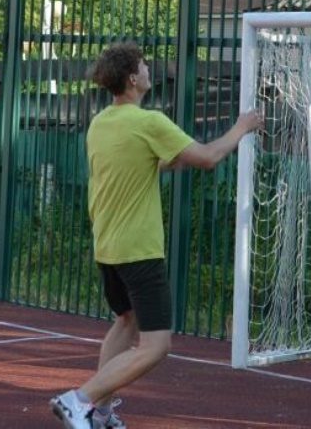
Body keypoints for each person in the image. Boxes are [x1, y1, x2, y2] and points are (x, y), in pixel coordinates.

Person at [51, 42, 264, 429]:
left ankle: (98, 412)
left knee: (126, 321)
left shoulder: (101, 123)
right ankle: (78, 399)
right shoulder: (149, 121)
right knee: (157, 345)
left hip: (108, 245)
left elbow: (138, 164)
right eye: (145, 65)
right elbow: (209, 157)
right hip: (138, 250)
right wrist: (242, 127)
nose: (150, 69)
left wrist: (173, 160)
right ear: (133, 78)